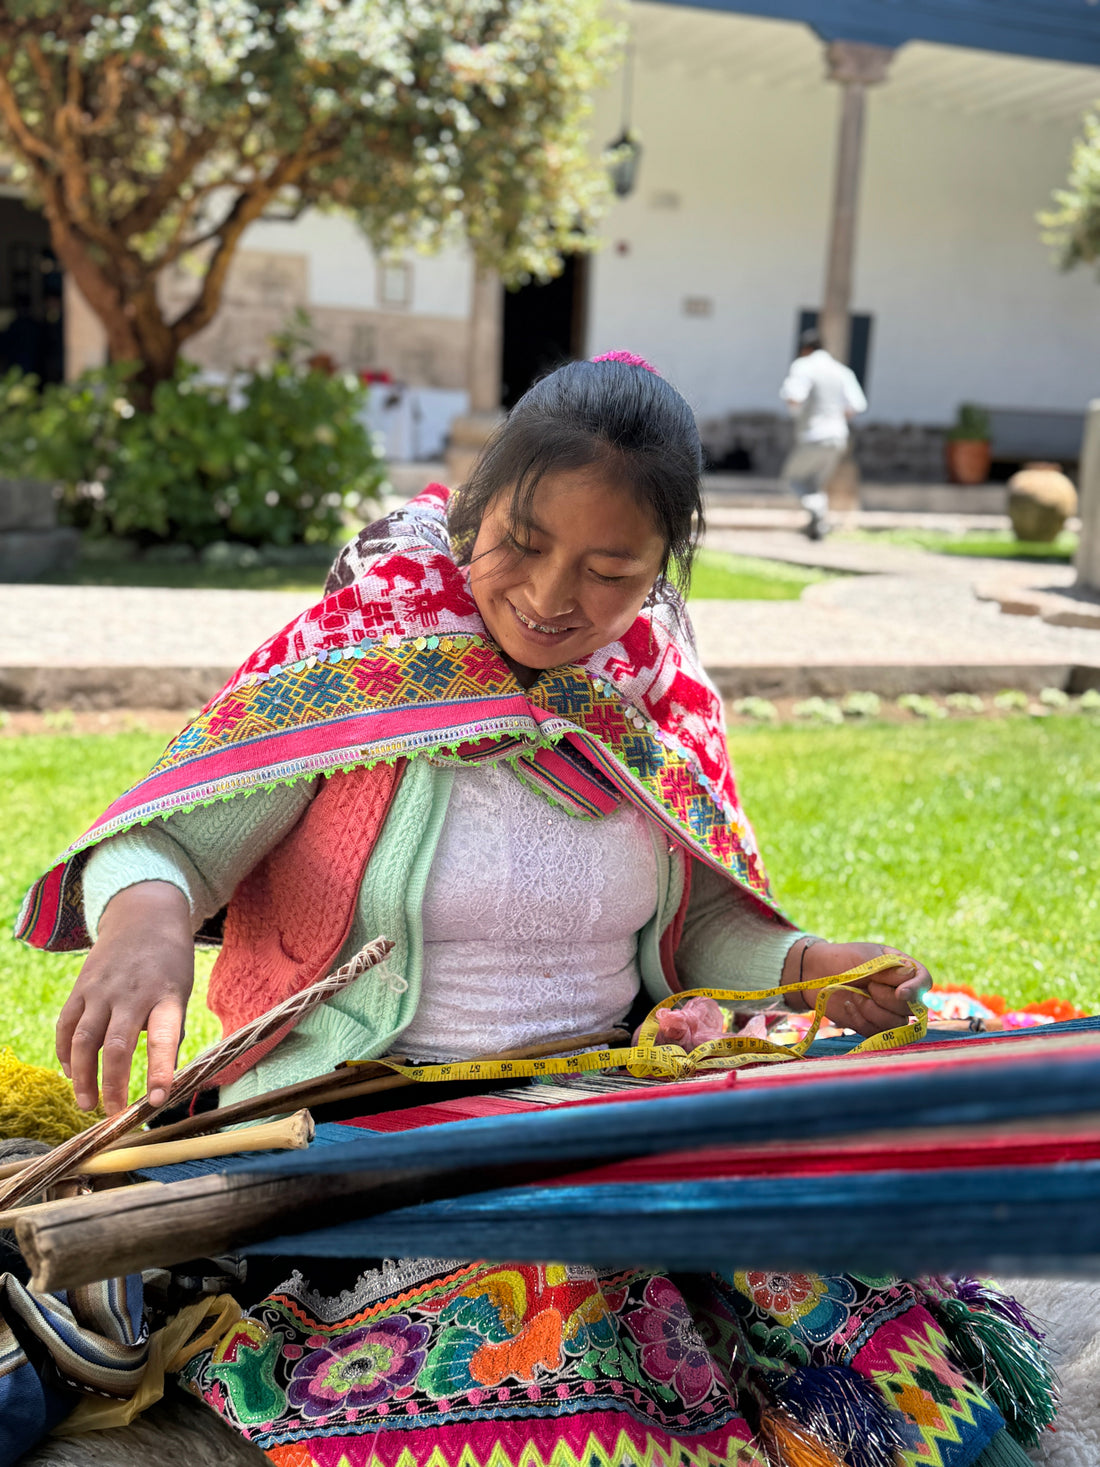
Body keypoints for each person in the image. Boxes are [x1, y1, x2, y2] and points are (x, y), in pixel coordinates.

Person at [25, 352, 1046, 1467]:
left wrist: (808, 965)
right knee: (557, 1333)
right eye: (520, 542)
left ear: (660, 571)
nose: (554, 597)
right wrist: (146, 923)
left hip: (591, 1114)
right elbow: (165, 843)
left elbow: (693, 933)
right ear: (474, 509)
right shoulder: (366, 665)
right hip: (367, 1144)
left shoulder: (644, 699)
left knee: (819, 1286)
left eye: (609, 570)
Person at [780, 327, 868, 540]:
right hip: (838, 437)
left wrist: (801, 412)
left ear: (805, 349)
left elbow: (794, 397)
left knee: (793, 479)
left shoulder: (803, 366)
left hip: (813, 435)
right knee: (814, 483)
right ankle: (817, 525)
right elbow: (857, 405)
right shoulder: (841, 370)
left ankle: (818, 512)